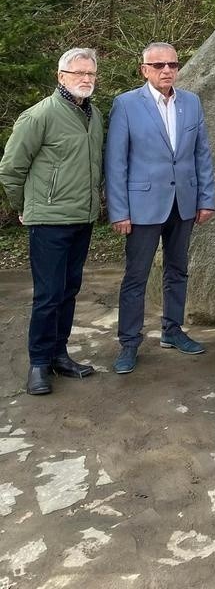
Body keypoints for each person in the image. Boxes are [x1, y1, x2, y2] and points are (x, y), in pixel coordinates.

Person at [105, 42, 215, 374]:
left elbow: (202, 154)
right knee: (136, 276)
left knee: (178, 270)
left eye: (172, 64)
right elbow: (116, 162)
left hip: (183, 203)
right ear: (144, 70)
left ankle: (172, 330)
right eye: (158, 65)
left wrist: (205, 198)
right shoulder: (126, 105)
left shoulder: (191, 103)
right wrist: (119, 211)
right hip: (142, 206)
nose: (166, 70)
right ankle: (128, 343)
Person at [0, 49, 103, 395]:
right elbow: (11, 168)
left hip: (83, 218)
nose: (86, 79)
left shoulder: (95, 115)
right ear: (61, 76)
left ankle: (60, 354)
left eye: (90, 73)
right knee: (48, 294)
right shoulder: (39, 116)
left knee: (69, 290)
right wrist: (23, 206)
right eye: (78, 73)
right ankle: (39, 364)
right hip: (49, 221)